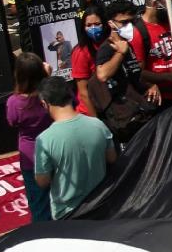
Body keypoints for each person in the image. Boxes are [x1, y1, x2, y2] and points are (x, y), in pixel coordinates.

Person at [33, 75, 117, 219]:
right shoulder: (98, 125)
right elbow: (112, 158)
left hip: (68, 215)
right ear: (71, 95)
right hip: (101, 207)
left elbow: (42, 181)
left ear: (44, 104)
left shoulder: (44, 140)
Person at [7, 54, 54, 222]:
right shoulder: (49, 94)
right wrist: (49, 79)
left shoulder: (14, 102)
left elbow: (12, 121)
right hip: (55, 149)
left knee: (39, 204)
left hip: (31, 158)